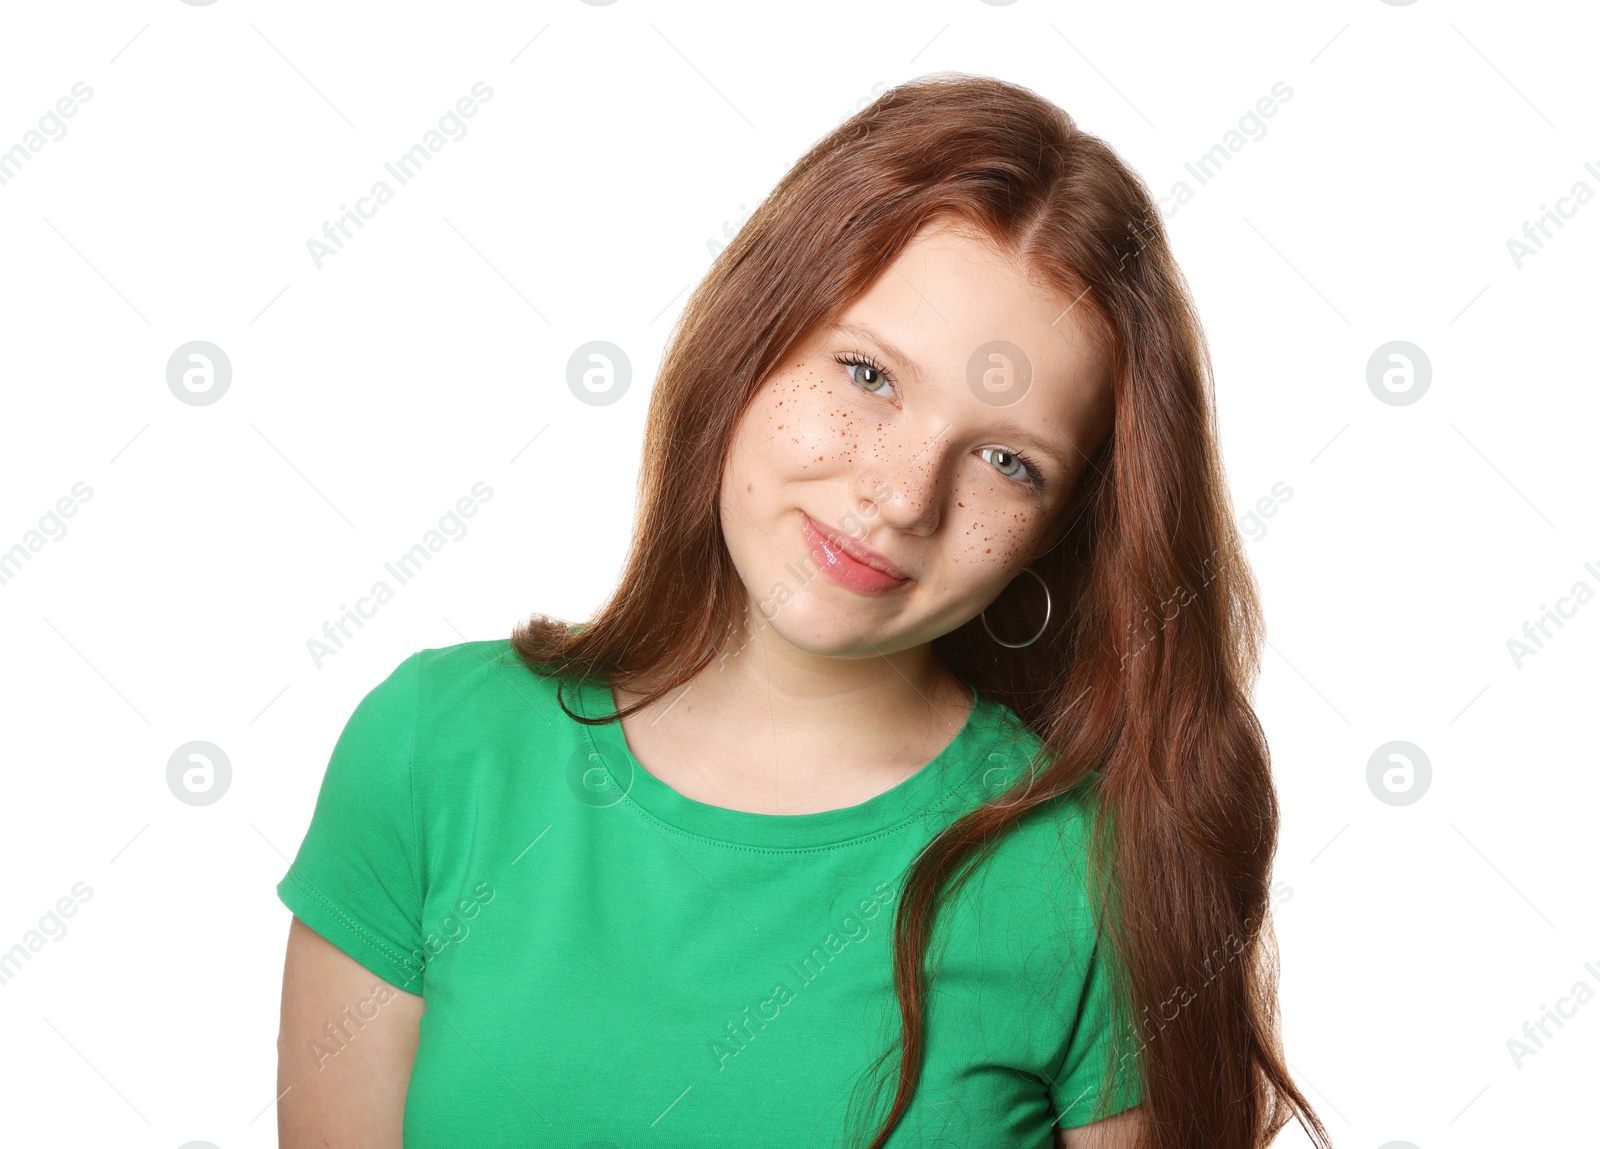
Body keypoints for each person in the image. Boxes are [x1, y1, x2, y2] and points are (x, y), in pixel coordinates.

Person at [274, 72, 1331, 1149]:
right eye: (868, 375)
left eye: (1007, 460)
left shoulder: (1094, 874)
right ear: (753, 339)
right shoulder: (434, 754)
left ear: (1058, 532)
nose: (902, 495)